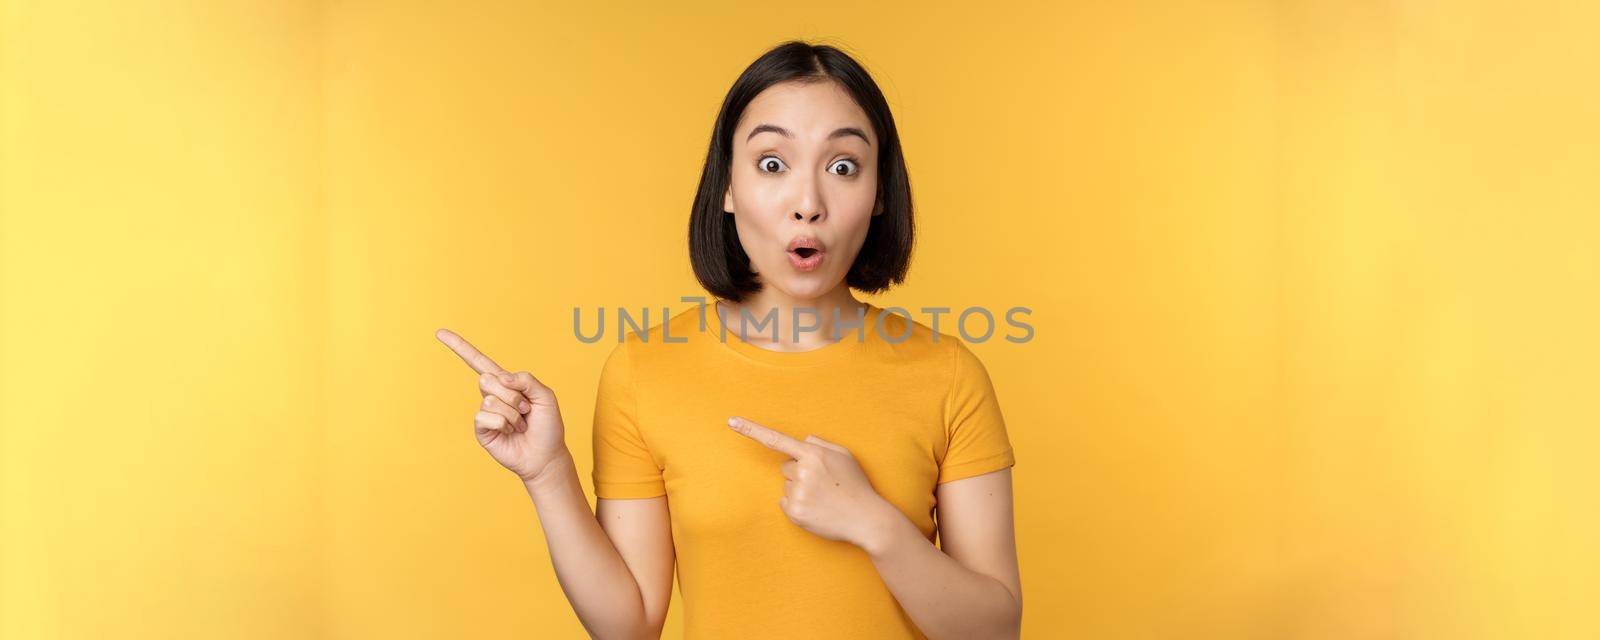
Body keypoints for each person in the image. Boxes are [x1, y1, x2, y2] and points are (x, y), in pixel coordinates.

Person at [437, 40, 1021, 639]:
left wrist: (875, 524)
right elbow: (630, 626)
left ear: (878, 197)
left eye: (843, 166)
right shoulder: (643, 372)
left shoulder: (948, 373)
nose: (808, 204)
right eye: (773, 163)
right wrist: (548, 474)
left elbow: (994, 632)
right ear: (728, 189)